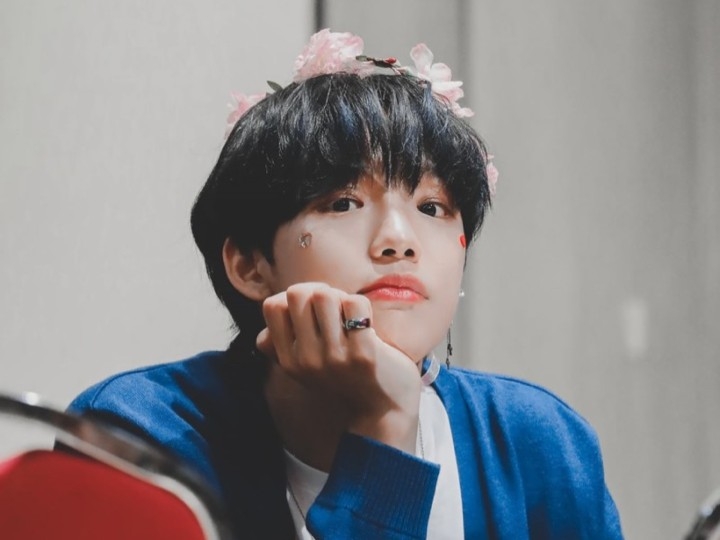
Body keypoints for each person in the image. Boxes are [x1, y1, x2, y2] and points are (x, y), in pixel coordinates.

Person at [68, 29, 623, 539]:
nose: (399, 241)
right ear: (250, 264)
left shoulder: (540, 441)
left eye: (432, 207)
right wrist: (386, 423)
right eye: (343, 203)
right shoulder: (140, 433)